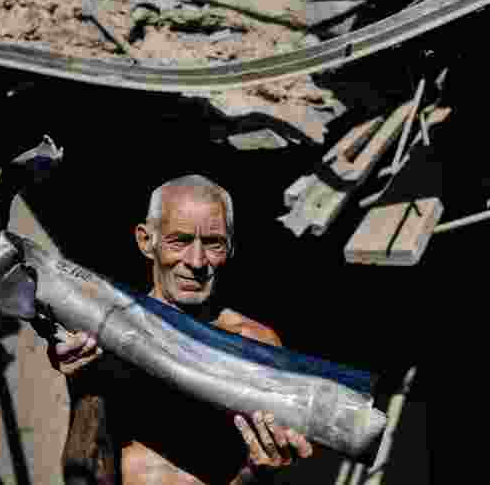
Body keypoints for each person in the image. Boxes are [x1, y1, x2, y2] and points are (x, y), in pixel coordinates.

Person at [50, 174, 314, 485]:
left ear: (230, 248)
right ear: (147, 241)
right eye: (180, 240)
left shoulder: (254, 343)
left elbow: (260, 470)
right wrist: (81, 380)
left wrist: (262, 469)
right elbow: (85, 463)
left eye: (213, 243)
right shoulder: (107, 332)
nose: (197, 261)